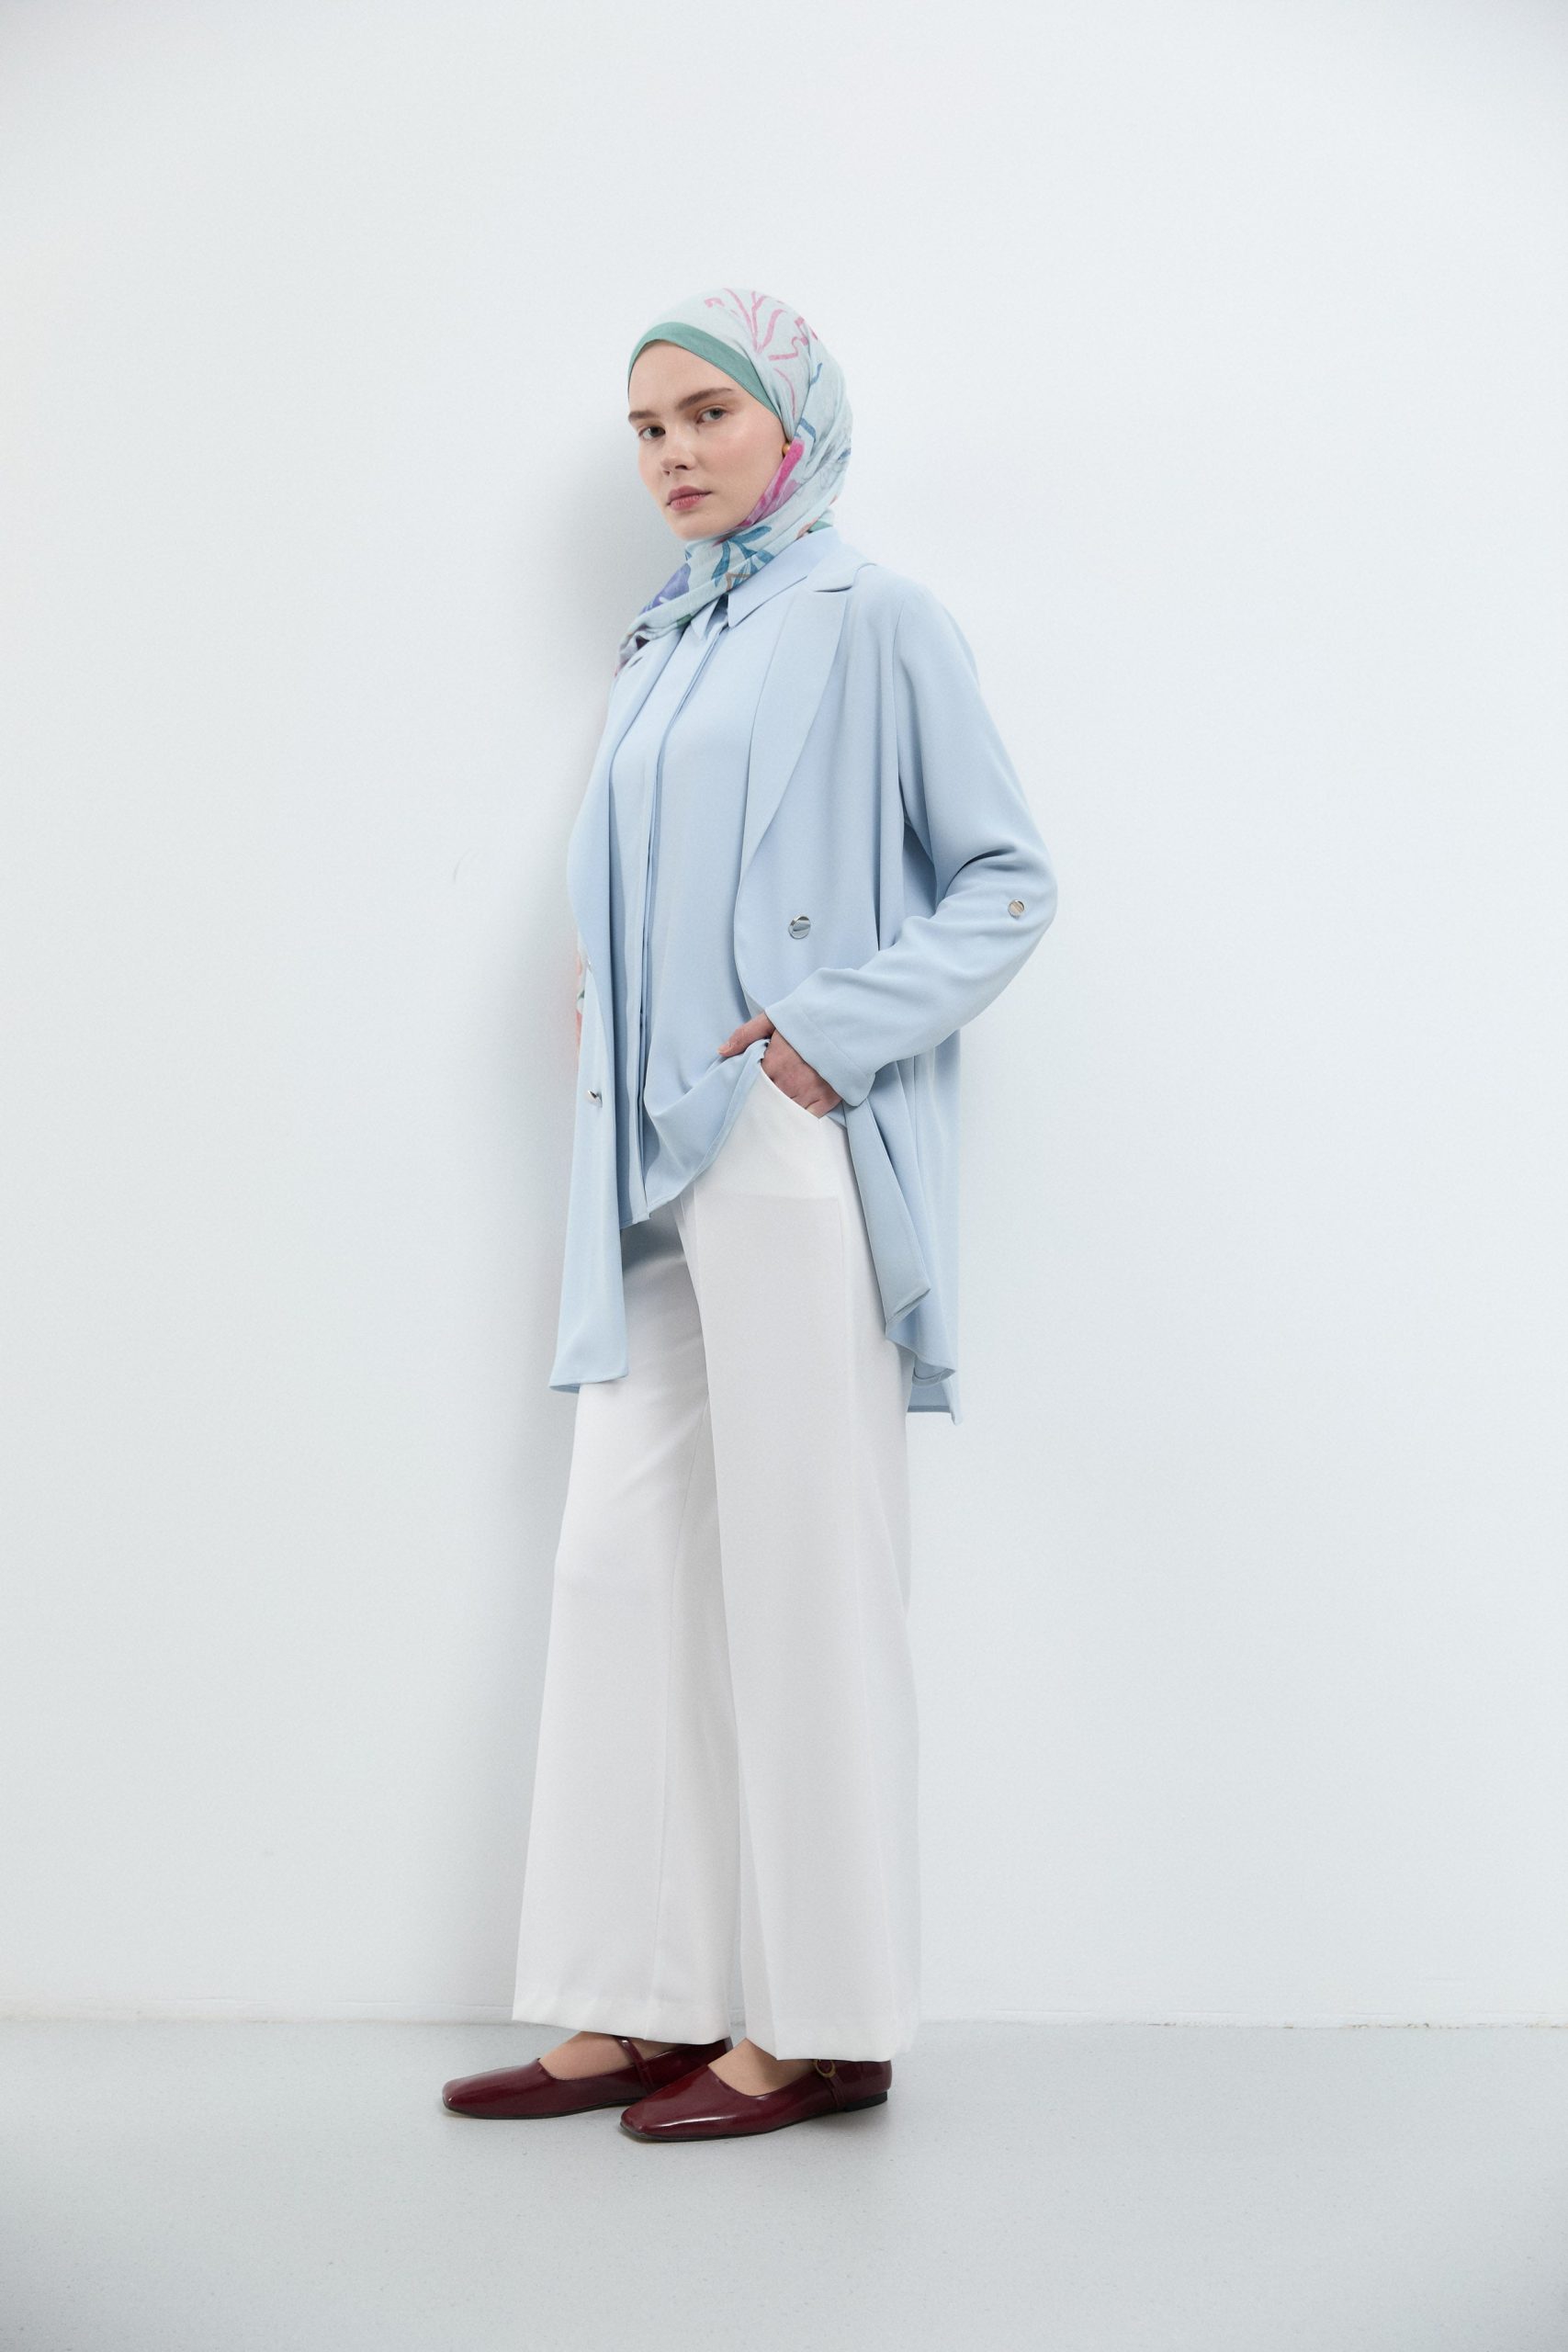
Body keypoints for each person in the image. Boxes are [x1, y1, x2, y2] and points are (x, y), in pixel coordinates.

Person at [443, 285, 1057, 2144]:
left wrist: (820, 1034)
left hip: (788, 1145)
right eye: (645, 429)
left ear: (794, 417)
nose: (673, 454)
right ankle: (639, 1999)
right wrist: (608, 993)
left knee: (804, 1571)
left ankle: (822, 2024)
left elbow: (1007, 880)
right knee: (615, 1561)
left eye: (706, 413)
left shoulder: (874, 618)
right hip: (640, 1152)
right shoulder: (665, 633)